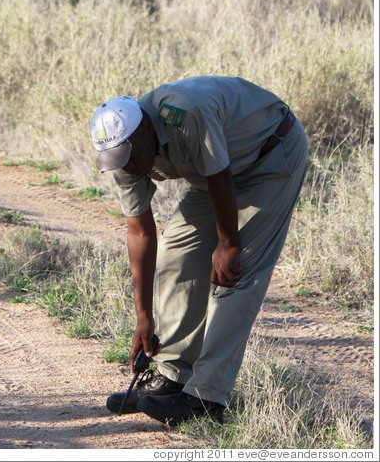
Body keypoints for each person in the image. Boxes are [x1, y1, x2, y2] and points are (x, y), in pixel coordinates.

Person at [90, 76, 308, 426]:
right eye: (117, 159)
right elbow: (140, 231)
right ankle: (173, 377)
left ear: (146, 128)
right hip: (216, 175)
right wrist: (144, 316)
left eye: (129, 156)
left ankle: (206, 397)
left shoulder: (185, 112)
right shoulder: (121, 155)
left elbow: (221, 177)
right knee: (177, 252)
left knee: (234, 273)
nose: (127, 166)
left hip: (269, 154)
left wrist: (228, 243)